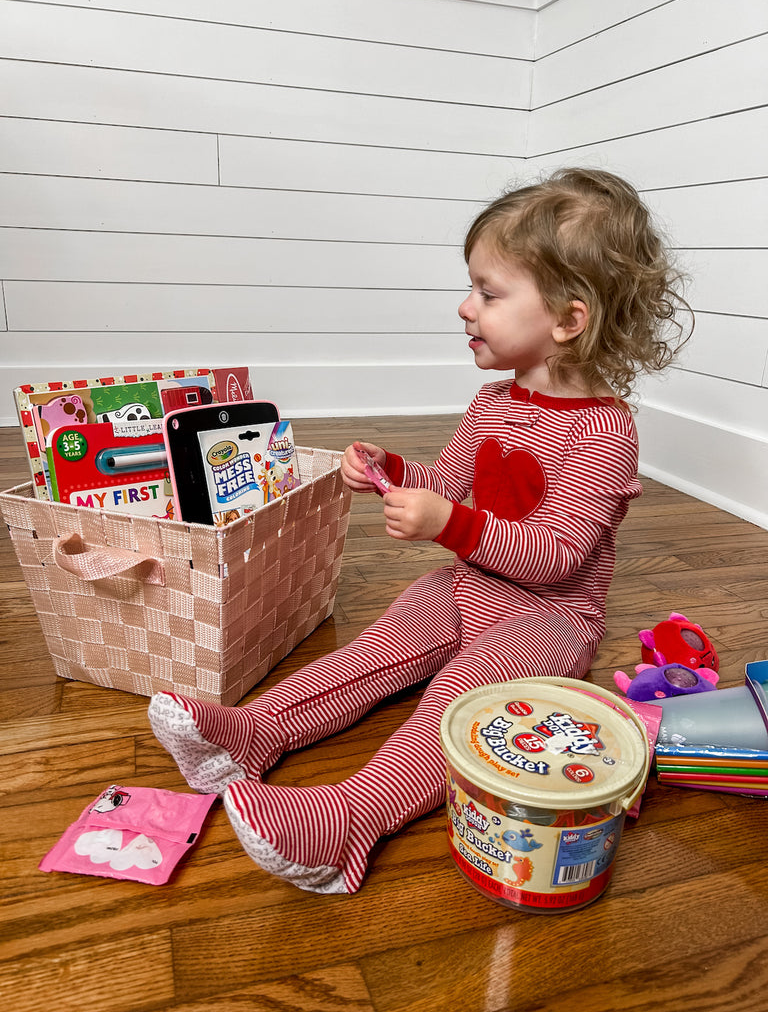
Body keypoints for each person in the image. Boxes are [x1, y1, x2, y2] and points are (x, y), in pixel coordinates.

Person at [148, 168, 691, 895]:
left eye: (490, 293)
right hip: (470, 585)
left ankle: (350, 819)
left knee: (458, 698)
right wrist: (392, 468)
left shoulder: (606, 432)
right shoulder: (493, 402)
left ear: (568, 319)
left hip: (553, 616)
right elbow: (445, 485)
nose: (466, 307)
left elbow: (556, 556)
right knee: (382, 646)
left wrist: (449, 524)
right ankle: (254, 733)